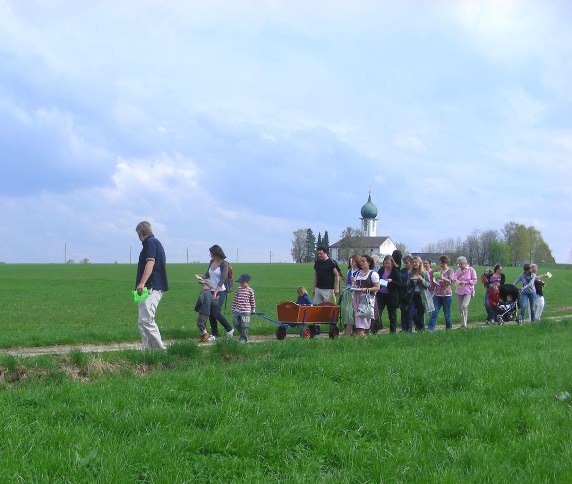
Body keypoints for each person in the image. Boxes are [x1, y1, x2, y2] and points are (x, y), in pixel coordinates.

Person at [134, 221, 168, 350]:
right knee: (142, 322)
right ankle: (147, 351)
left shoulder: (151, 242)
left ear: (140, 233)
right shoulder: (150, 243)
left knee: (146, 320)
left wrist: (142, 283)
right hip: (144, 288)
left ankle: (160, 351)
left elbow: (150, 263)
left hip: (151, 287)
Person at [198, 245, 234, 338]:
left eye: (212, 254)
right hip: (211, 290)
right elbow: (207, 274)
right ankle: (214, 334)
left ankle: (229, 329)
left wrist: (215, 292)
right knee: (210, 313)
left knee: (216, 312)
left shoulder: (224, 264)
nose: (211, 256)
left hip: (221, 291)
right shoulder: (211, 262)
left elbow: (222, 279)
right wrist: (200, 276)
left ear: (217, 254)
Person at [352, 255, 381, 337]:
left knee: (363, 321)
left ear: (369, 263)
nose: (361, 263)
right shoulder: (358, 273)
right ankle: (366, 341)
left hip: (367, 300)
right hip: (357, 299)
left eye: (363, 261)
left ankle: (362, 340)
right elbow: (357, 286)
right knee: (359, 320)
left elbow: (377, 287)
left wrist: (366, 289)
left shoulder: (373, 274)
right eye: (361, 261)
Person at [404, 256, 434, 332]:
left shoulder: (425, 273)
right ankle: (409, 332)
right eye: (413, 262)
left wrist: (421, 280)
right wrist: (411, 281)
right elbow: (407, 285)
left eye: (416, 262)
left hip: (421, 296)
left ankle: (421, 331)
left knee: (420, 315)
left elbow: (428, 285)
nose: (414, 264)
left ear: (419, 263)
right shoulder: (410, 272)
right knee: (410, 314)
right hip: (413, 295)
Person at [376, 255, 402, 333]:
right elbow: (377, 278)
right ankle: (375, 330)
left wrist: (391, 281)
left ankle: (392, 332)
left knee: (392, 314)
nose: (387, 265)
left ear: (392, 263)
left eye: (388, 263)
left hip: (391, 295)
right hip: (381, 294)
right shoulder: (381, 269)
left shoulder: (395, 271)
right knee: (377, 313)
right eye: (385, 263)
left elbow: (400, 283)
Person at [428, 255, 454, 331]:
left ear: (446, 263)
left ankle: (448, 329)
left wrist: (442, 278)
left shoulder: (450, 271)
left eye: (443, 263)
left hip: (446, 295)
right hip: (437, 294)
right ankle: (430, 330)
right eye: (440, 262)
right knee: (434, 313)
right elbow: (434, 281)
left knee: (447, 314)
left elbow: (450, 281)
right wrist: (434, 280)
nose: (441, 264)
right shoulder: (437, 271)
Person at [453, 256, 477, 328]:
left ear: (466, 263)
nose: (460, 265)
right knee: (460, 308)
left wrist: (466, 282)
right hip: (459, 290)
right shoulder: (458, 271)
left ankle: (464, 324)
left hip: (468, 291)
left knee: (464, 306)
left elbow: (475, 280)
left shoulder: (471, 270)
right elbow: (454, 279)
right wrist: (460, 275)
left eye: (462, 264)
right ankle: (463, 323)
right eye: (459, 264)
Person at [231, 274, 256, 343]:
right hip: (237, 310)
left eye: (242, 282)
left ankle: (244, 339)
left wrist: (253, 309)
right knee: (235, 323)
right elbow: (235, 299)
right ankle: (242, 334)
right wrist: (233, 308)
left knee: (244, 326)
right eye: (240, 283)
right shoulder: (239, 289)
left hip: (246, 311)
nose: (241, 284)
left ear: (247, 282)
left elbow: (252, 301)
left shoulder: (250, 290)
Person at [340, 254, 361, 336]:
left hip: (354, 293)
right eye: (350, 261)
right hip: (347, 293)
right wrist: (345, 285)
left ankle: (350, 331)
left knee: (351, 311)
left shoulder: (359, 272)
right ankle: (348, 329)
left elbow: (358, 284)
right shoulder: (349, 271)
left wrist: (355, 281)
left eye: (353, 261)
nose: (351, 262)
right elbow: (348, 283)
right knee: (346, 310)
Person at [398, 254, 413, 332]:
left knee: (410, 313)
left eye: (407, 263)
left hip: (411, 294)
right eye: (404, 263)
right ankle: (404, 328)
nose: (405, 264)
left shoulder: (414, 271)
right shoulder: (402, 271)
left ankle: (409, 328)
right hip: (403, 294)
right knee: (403, 312)